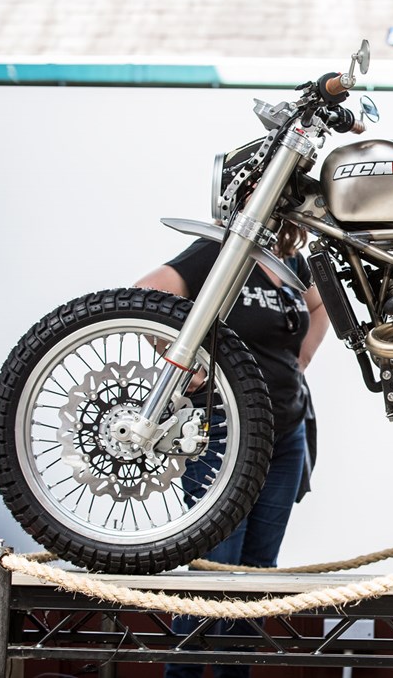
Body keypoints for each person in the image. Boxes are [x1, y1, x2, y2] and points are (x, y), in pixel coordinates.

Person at [136, 220, 329, 678]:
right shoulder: (218, 252)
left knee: (258, 572)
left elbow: (319, 304)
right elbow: (147, 292)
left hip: (285, 433)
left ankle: (233, 674)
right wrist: (184, 363)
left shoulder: (294, 263)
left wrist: (301, 359)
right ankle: (183, 675)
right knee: (215, 567)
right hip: (223, 430)